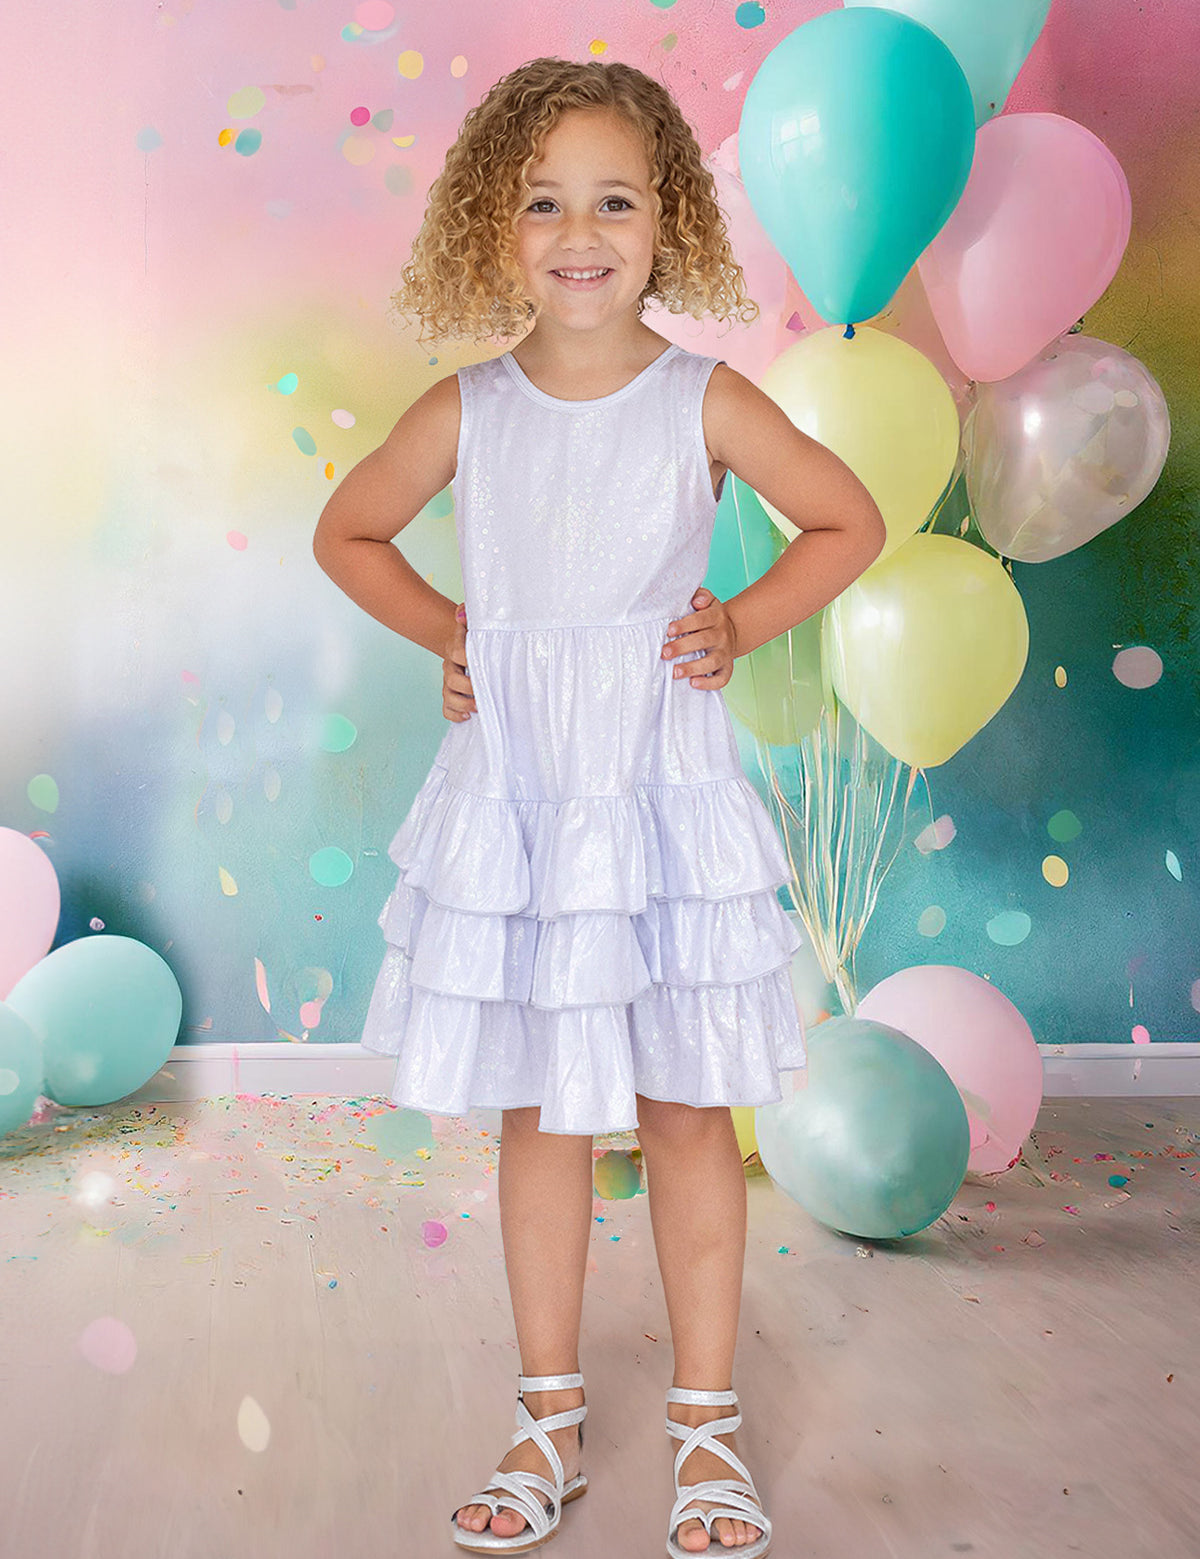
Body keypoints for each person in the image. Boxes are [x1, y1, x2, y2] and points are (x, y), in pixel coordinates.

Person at [313, 55, 884, 1559]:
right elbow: (348, 530)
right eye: (546, 203)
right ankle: (548, 1420)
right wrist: (453, 629)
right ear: (494, 231)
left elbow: (849, 515)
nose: (582, 230)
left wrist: (747, 622)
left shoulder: (702, 397)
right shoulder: (470, 410)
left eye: (616, 200)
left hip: (657, 786)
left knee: (691, 1108)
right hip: (522, 798)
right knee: (542, 1117)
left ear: (668, 219)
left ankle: (708, 1431)